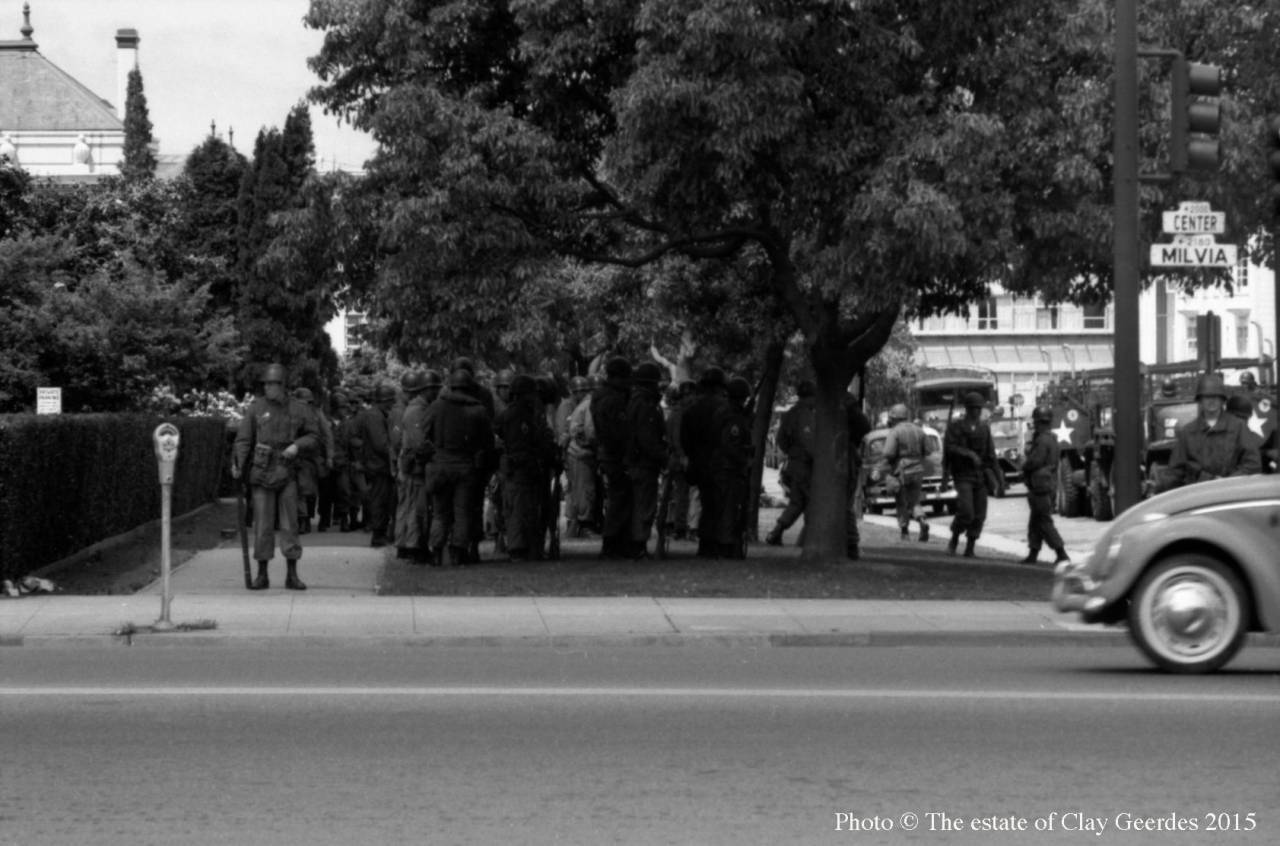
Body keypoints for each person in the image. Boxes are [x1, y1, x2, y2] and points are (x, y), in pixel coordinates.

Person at [231, 363, 320, 590]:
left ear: (283, 385)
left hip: (287, 470)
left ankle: (292, 574)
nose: (269, 388)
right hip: (261, 471)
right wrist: (238, 464)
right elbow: (243, 440)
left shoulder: (300, 409)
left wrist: (297, 446)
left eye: (273, 384)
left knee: (290, 524)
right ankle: (262, 574)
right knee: (262, 525)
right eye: (266, 384)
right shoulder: (256, 408)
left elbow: (313, 436)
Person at [424, 368, 495, 566]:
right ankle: (458, 552)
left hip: (441, 465)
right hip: (465, 466)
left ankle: (436, 551)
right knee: (462, 511)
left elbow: (424, 434)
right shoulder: (478, 410)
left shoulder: (436, 407)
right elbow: (488, 443)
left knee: (440, 513)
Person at [1157, 374, 1260, 491]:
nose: (1212, 401)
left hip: (1232, 494)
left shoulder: (1238, 427)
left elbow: (1253, 464)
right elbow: (1176, 472)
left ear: (1222, 400)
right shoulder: (1188, 432)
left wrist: (1228, 482)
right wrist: (1157, 487)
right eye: (1207, 397)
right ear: (1200, 400)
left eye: (1216, 397)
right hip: (1198, 497)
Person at [494, 374, 556, 560]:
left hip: (525, 467)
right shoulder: (519, 415)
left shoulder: (519, 414)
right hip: (520, 467)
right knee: (517, 508)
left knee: (525, 508)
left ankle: (525, 546)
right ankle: (517, 548)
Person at [394, 370, 442, 563]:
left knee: (411, 508)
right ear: (426, 390)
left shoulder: (419, 408)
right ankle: (414, 547)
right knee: (415, 509)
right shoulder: (417, 411)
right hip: (415, 468)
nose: (437, 392)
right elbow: (419, 444)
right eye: (434, 389)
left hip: (414, 466)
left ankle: (408, 545)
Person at [943, 391, 998, 558]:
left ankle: (970, 546)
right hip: (963, 475)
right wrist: (968, 454)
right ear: (967, 409)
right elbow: (950, 448)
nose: (976, 411)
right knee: (966, 512)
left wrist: (999, 477)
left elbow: (991, 454)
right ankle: (954, 539)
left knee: (980, 514)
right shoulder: (956, 427)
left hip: (979, 476)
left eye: (978, 408)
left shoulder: (984, 428)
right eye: (973, 408)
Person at [624, 362, 669, 558]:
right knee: (644, 505)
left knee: (639, 504)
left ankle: (636, 543)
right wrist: (663, 456)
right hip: (643, 462)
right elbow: (648, 439)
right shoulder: (645, 406)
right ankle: (638, 544)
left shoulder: (635, 402)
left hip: (637, 461)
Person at [591, 356, 633, 558]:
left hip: (607, 454)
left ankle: (615, 542)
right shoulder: (614, 400)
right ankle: (613, 543)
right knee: (620, 499)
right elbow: (618, 431)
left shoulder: (600, 396)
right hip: (616, 455)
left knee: (618, 499)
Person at [764, 380, 815, 546]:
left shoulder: (791, 414)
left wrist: (792, 453)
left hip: (794, 463)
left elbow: (781, 440)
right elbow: (809, 444)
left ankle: (776, 533)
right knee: (811, 503)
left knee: (797, 503)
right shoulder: (805, 415)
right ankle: (806, 540)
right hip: (804, 466)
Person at [708, 377, 753, 558]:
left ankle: (724, 544)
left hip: (723, 467)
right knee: (728, 509)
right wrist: (743, 459)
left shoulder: (724, 413)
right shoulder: (732, 416)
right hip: (728, 469)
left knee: (725, 508)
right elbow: (730, 444)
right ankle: (726, 546)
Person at [1019, 405, 1070, 565]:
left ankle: (1061, 553)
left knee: (1043, 521)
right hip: (1045, 484)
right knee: (1035, 521)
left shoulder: (1042, 440)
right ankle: (1033, 553)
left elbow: (1035, 461)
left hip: (1040, 485)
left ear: (1038, 422)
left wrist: (1024, 466)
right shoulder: (1050, 438)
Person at [876, 403, 932, 543]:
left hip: (901, 470)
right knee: (915, 500)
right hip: (918, 469)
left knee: (901, 502)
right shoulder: (919, 430)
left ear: (894, 418)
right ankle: (922, 520)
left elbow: (888, 452)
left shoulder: (895, 432)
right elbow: (929, 450)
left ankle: (905, 532)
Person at [351, 381, 397, 547]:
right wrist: (395, 454)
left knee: (382, 499)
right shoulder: (375, 416)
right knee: (380, 500)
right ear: (383, 401)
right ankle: (378, 534)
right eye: (390, 401)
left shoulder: (374, 414)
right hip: (378, 465)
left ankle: (380, 532)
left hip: (377, 464)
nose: (392, 404)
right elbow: (380, 443)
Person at [563, 376, 596, 537]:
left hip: (576, 452)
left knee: (577, 491)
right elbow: (590, 432)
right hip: (581, 452)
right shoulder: (588, 405)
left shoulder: (581, 405)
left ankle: (578, 526)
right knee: (585, 491)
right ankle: (584, 526)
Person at [844, 392, 873, 560]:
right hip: (847, 458)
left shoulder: (845, 407)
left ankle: (852, 545)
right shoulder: (850, 407)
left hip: (846, 459)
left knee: (845, 506)